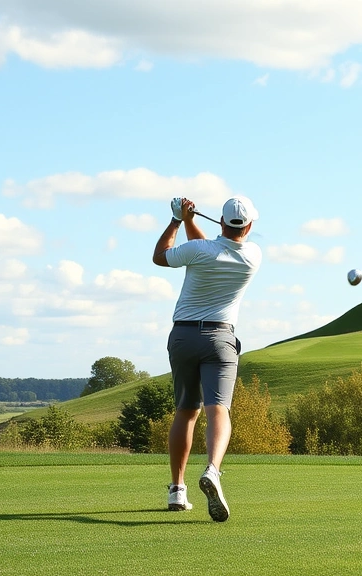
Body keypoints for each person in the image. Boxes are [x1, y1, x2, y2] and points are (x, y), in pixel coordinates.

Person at [152, 196, 262, 522]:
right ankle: (213, 470)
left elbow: (161, 257)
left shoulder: (199, 252)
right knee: (218, 409)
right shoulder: (253, 256)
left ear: (222, 221)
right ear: (250, 226)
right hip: (220, 340)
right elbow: (210, 248)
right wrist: (188, 221)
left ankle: (177, 490)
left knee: (186, 412)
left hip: (184, 337)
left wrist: (177, 219)